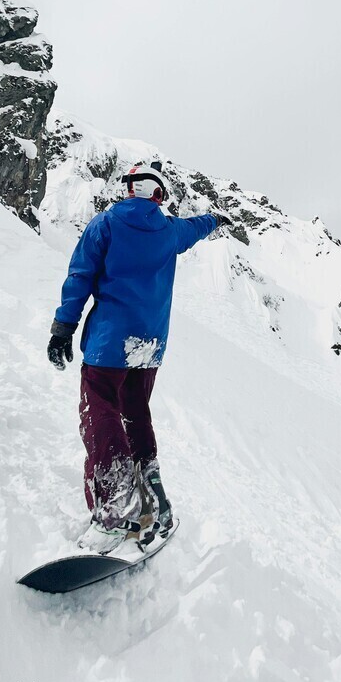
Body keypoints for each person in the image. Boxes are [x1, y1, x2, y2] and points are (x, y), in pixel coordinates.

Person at [48, 162, 228, 554]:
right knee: (135, 415)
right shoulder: (169, 231)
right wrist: (216, 218)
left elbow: (80, 275)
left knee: (102, 416)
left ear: (130, 189)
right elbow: (197, 226)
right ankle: (154, 502)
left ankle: (115, 513)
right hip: (149, 347)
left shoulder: (106, 224)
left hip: (110, 344)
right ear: (158, 195)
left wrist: (63, 326)